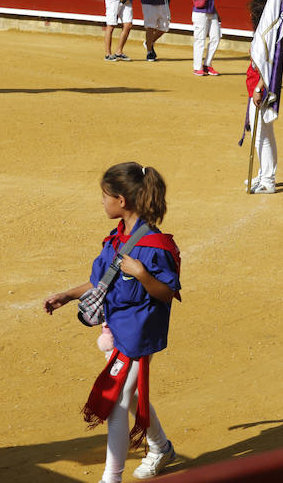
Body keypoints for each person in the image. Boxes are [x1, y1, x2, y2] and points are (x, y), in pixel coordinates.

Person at [43, 162, 182, 483]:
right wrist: (68, 295)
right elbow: (101, 282)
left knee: (117, 402)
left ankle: (111, 479)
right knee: (130, 394)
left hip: (136, 334)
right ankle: (160, 447)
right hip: (116, 327)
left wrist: (143, 274)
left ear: (122, 200)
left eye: (105, 196)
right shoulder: (118, 238)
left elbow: (165, 293)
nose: (102, 201)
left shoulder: (154, 247)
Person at [244, 0, 278, 195]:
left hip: (261, 90)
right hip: (259, 88)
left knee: (260, 138)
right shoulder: (267, 33)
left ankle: (268, 180)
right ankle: (265, 173)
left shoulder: (265, 34)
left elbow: (269, 65)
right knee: (266, 135)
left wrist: (258, 88)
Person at [191, 0, 223, 76]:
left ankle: (207, 64)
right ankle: (197, 67)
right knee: (200, 39)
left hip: (211, 11)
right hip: (200, 13)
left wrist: (216, 13)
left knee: (216, 37)